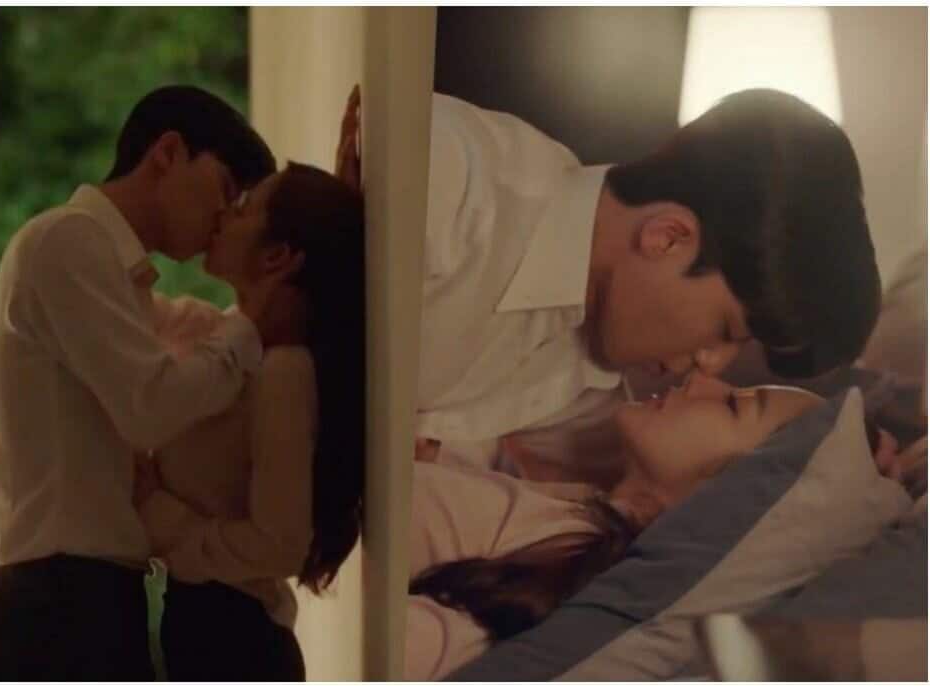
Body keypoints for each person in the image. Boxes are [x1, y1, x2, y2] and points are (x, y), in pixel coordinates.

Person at [338, 88, 881, 478]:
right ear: (667, 237)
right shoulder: (452, 176)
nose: (710, 365)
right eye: (724, 331)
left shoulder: (593, 384)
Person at [0, 85, 294, 680]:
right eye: (224, 189)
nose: (223, 217)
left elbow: (216, 341)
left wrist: (318, 236)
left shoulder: (116, 277)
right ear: (168, 153)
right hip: (56, 603)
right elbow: (152, 406)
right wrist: (250, 325)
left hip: (77, 597)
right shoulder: (68, 240)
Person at [403, 372, 912, 680]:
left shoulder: (559, 552)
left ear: (734, 486)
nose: (702, 380)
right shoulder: (563, 511)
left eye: (732, 405)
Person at [132, 161, 366, 680]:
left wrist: (156, 512)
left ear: (278, 256)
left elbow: (280, 546)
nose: (222, 214)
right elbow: (115, 302)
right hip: (205, 634)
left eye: (242, 209)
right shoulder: (224, 340)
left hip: (236, 644)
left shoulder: (283, 371)